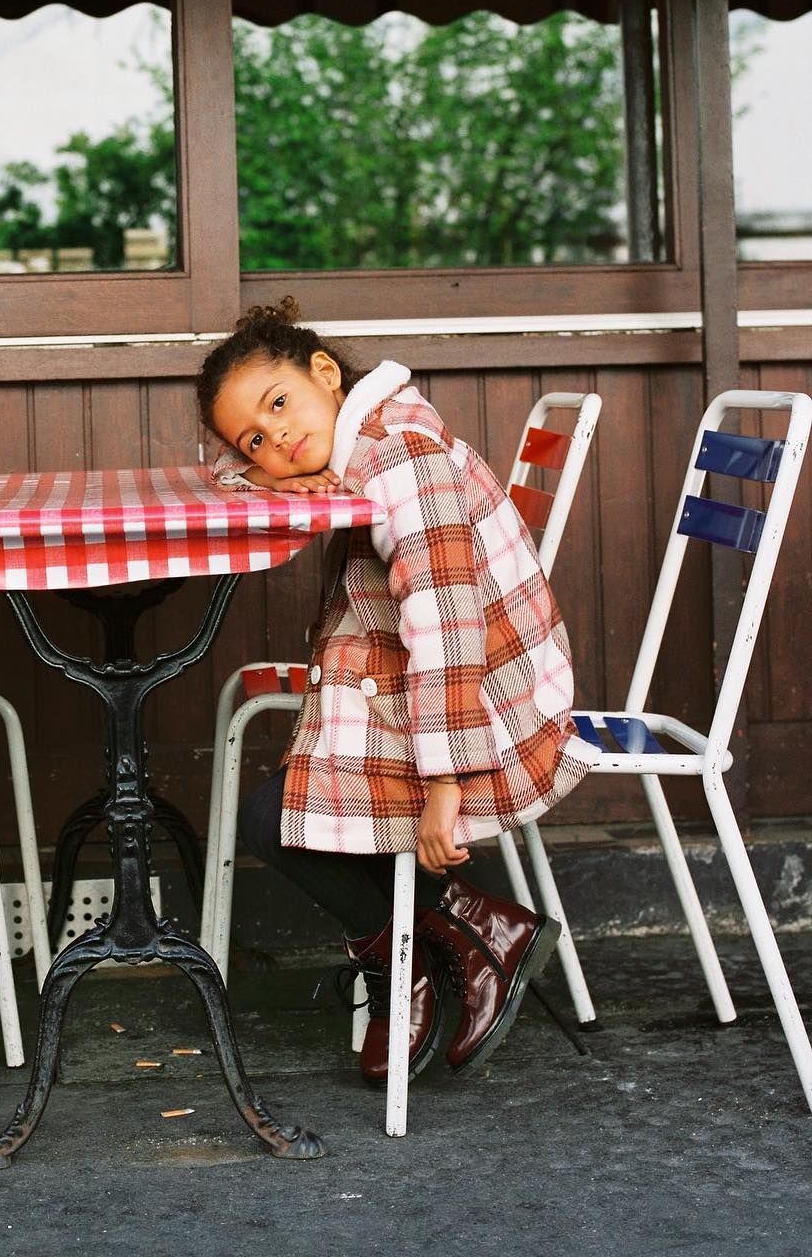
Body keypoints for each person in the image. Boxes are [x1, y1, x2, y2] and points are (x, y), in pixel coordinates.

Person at [196, 297, 598, 1086]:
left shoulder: (401, 456)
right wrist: (271, 468)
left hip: (490, 703)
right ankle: (468, 936)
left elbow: (448, 626)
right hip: (416, 675)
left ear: (325, 373)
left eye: (279, 406)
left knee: (268, 818)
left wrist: (445, 786)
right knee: (276, 810)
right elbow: (218, 468)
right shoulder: (358, 437)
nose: (275, 437)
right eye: (256, 437)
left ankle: (424, 949)